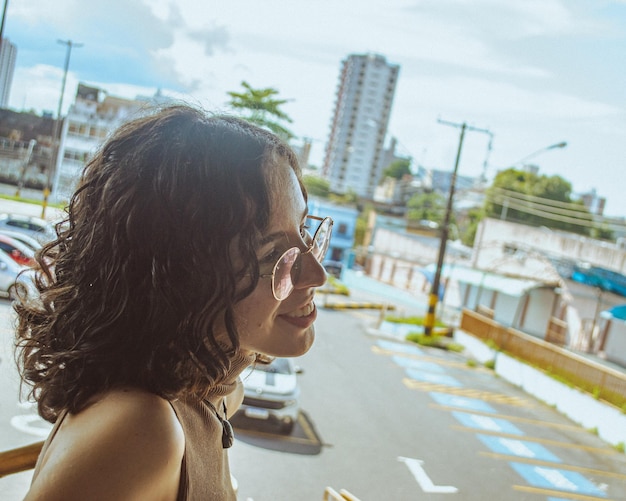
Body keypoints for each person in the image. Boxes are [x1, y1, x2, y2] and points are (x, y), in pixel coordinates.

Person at [14, 104, 333, 500]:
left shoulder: (210, 389)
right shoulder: (140, 432)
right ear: (182, 279)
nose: (317, 275)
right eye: (271, 256)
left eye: (305, 231)